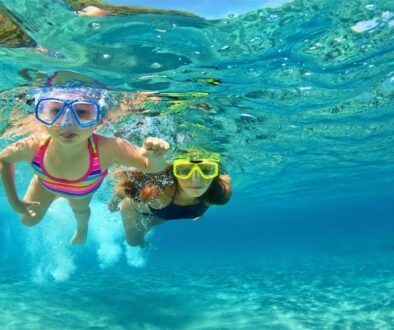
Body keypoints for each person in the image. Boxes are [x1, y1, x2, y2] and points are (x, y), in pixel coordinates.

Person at [0, 87, 169, 244]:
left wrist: (155, 156)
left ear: (99, 120)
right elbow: (4, 160)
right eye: (56, 111)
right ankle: (54, 196)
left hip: (79, 192)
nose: (68, 123)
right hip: (44, 185)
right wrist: (14, 201)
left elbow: (150, 166)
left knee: (80, 212)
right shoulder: (33, 146)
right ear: (42, 117)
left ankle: (82, 229)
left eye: (81, 112)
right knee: (28, 221)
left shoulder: (107, 149)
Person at [109, 151, 232, 246]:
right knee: (134, 243)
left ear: (215, 175)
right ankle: (143, 242)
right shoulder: (159, 192)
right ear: (175, 173)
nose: (196, 179)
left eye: (206, 171)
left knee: (153, 223)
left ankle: (149, 225)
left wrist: (198, 212)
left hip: (162, 214)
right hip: (135, 212)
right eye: (185, 171)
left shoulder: (218, 191)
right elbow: (123, 191)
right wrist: (113, 204)